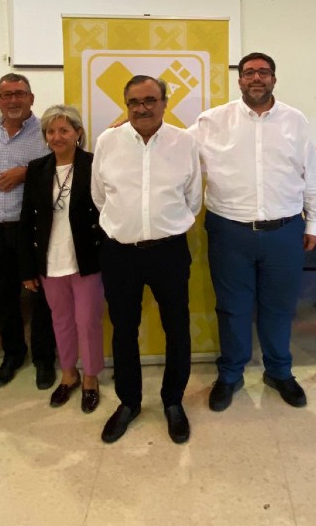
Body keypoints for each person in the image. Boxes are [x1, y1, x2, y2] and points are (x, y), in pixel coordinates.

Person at [192, 52, 316, 412]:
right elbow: (174, 150)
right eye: (249, 72)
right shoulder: (212, 121)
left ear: (274, 79)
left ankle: (279, 371)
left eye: (263, 72)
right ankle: (230, 375)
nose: (256, 78)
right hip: (229, 231)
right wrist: (126, 129)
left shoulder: (295, 120)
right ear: (239, 80)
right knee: (232, 308)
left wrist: (314, 223)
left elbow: (312, 175)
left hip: (284, 231)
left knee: (279, 307)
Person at [91, 75, 202, 444]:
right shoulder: (107, 142)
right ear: (126, 105)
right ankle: (129, 402)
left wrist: (161, 224)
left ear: (165, 102)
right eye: (134, 102)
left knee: (177, 327)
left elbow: (193, 198)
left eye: (150, 100)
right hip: (119, 252)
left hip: (169, 251)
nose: (142, 108)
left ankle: (173, 401)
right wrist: (129, 225)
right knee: (124, 329)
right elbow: (99, 196)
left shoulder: (184, 142)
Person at [0, 74, 57, 390]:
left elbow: (62, 169)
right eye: (6, 95)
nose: (13, 100)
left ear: (31, 98)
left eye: (19, 93)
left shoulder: (47, 132)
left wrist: (27, 172)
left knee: (41, 297)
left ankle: (44, 358)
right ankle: (13, 354)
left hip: (32, 229)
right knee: (2, 296)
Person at [19, 105, 106, 412]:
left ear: (78, 133)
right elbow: (26, 220)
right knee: (61, 320)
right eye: (51, 131)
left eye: (64, 130)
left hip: (85, 258)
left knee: (88, 321)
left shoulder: (93, 165)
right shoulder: (37, 168)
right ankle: (69, 373)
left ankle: (91, 377)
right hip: (50, 259)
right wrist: (27, 268)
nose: (57, 137)